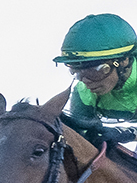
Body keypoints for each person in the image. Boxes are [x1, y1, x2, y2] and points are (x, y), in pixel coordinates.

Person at [55, 14, 137, 143]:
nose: (86, 81)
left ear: (124, 61)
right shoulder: (83, 93)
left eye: (95, 71)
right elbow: (80, 140)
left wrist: (130, 133)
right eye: (76, 71)